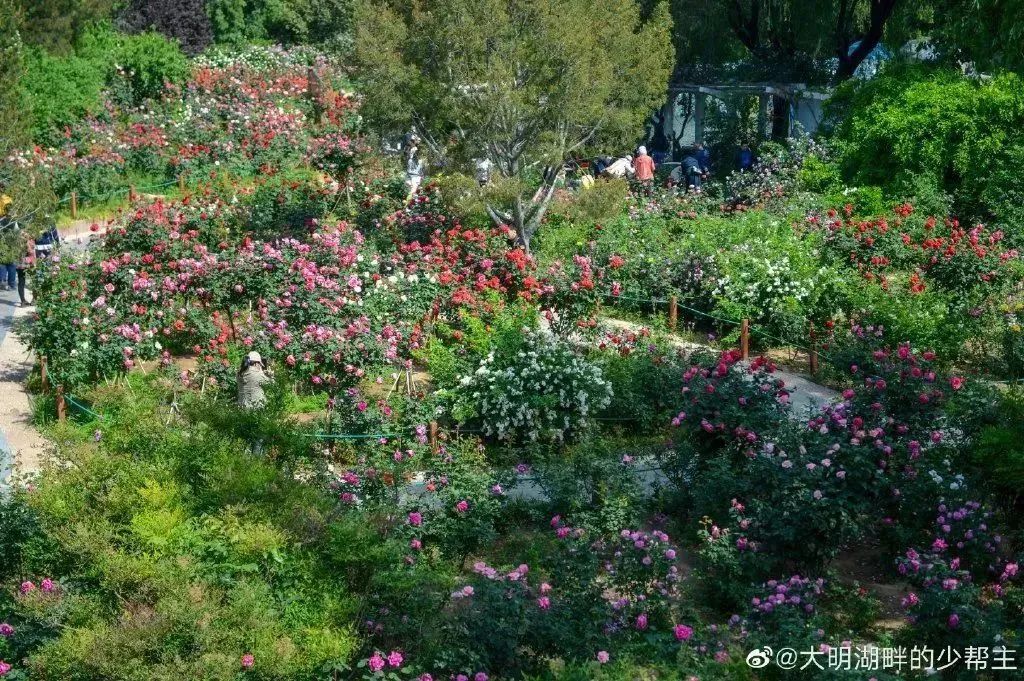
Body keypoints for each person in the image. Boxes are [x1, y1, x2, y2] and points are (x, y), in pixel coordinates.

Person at [15, 231, 33, 307]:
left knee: (21, 282)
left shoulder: (15, 243)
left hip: (18, 265)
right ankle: (34, 300)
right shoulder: (26, 243)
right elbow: (30, 252)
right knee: (34, 280)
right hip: (27, 264)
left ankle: (23, 301)